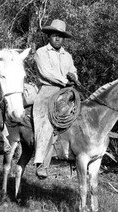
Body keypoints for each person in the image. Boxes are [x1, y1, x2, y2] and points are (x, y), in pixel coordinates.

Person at [33, 19, 78, 179]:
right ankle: (42, 163)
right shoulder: (41, 52)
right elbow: (46, 73)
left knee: (81, 114)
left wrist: (74, 76)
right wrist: (65, 80)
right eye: (54, 35)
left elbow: (73, 70)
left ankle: (77, 155)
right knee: (47, 121)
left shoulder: (67, 56)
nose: (58, 39)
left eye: (60, 36)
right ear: (49, 37)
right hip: (48, 90)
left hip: (66, 91)